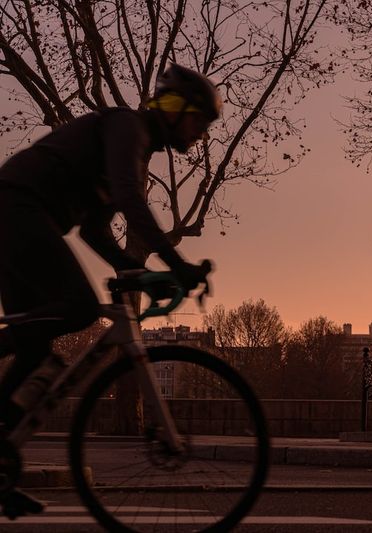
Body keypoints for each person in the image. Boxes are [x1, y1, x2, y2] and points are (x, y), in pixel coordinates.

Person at [0, 64, 219, 517]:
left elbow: (95, 233)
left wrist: (136, 269)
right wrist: (175, 265)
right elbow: (130, 201)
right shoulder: (127, 128)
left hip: (19, 216)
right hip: (16, 208)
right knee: (79, 306)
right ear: (176, 110)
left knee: (35, 353)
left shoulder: (133, 151)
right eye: (200, 121)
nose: (201, 135)